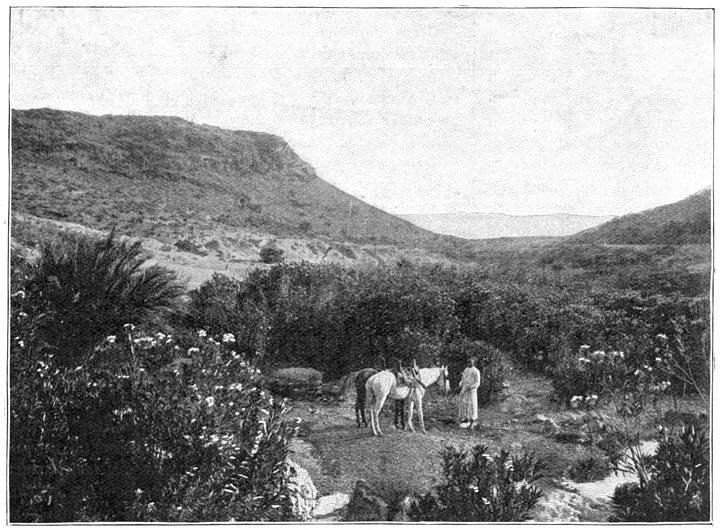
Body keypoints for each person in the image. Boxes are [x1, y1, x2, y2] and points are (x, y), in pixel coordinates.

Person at [458, 357, 481, 429]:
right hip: (464, 390)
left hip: (471, 391)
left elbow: (477, 383)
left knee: (471, 405)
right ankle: (465, 419)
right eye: (468, 362)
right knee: (464, 404)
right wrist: (461, 383)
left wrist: (470, 387)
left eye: (470, 362)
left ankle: (473, 420)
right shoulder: (466, 370)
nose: (469, 364)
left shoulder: (476, 371)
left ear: (473, 363)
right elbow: (463, 378)